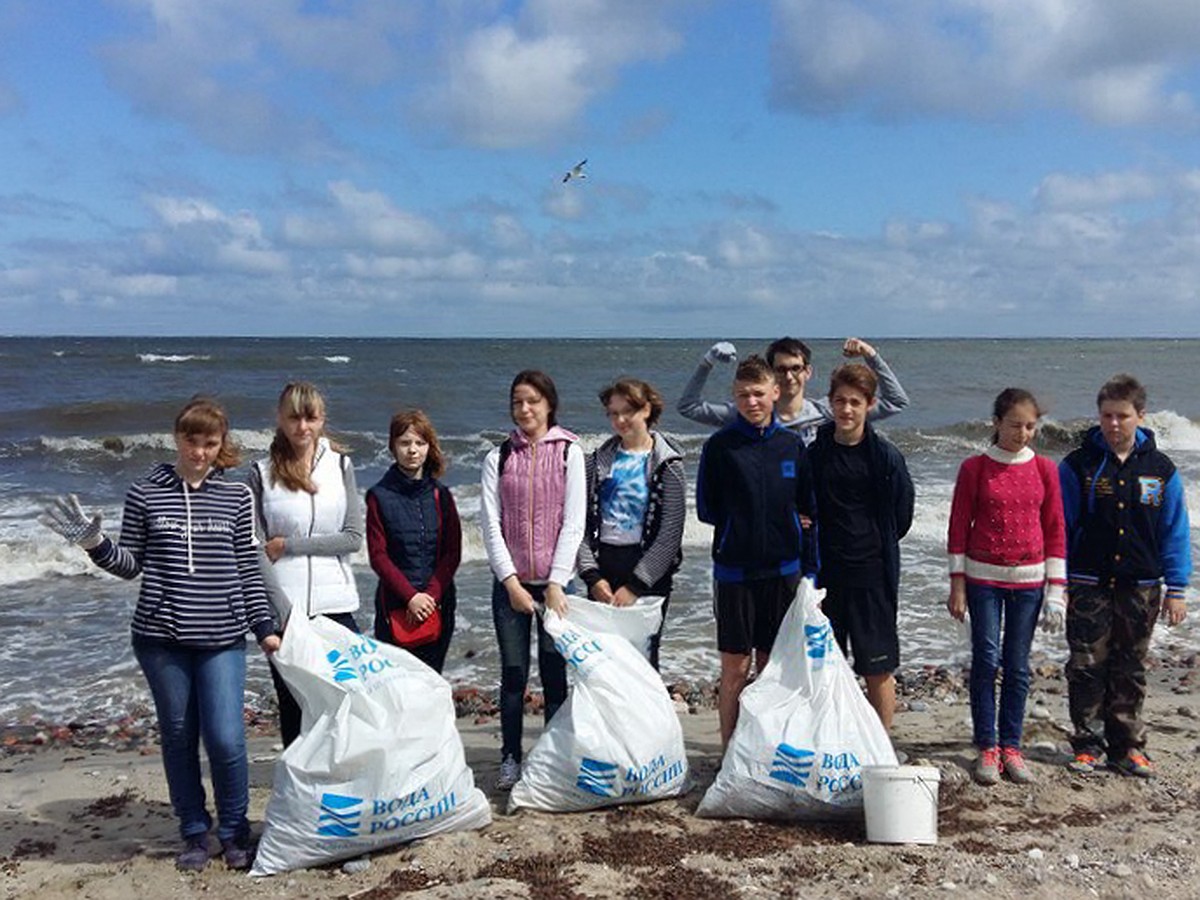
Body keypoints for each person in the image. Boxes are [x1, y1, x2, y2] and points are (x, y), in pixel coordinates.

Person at [41, 397, 279, 872]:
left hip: (222, 636)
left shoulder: (236, 495)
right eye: (192, 441)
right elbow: (131, 565)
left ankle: (235, 832)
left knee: (228, 739)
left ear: (221, 445)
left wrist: (265, 627)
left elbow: (248, 569)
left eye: (211, 443)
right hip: (160, 637)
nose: (200, 452)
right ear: (177, 437)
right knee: (177, 736)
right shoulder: (145, 492)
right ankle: (194, 832)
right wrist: (96, 545)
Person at [1058, 374, 1191, 778]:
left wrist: (1177, 588)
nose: (1113, 424)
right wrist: (1058, 582)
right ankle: (1088, 744)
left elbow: (1174, 530)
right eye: (1106, 416)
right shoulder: (1078, 465)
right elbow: (1060, 527)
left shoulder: (1161, 469)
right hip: (1087, 582)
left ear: (1140, 416)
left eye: (1122, 416)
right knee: (1086, 664)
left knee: (1129, 666)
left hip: (1142, 586)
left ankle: (1128, 746)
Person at [946, 388, 1067, 785]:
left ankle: (1011, 748)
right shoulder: (974, 468)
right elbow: (958, 528)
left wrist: (1055, 592)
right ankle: (987, 747)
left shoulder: (1046, 469)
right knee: (986, 659)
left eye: (1031, 425)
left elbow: (1055, 530)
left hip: (1030, 584)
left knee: (1016, 667)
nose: (1023, 433)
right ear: (996, 423)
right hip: (982, 581)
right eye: (1015, 424)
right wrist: (957, 585)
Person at [696, 355, 816, 748]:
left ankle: (763, 748)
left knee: (770, 666)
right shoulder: (720, 447)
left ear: (775, 393)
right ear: (734, 396)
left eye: (759, 394)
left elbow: (808, 507)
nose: (752, 402)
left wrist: (806, 567)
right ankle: (729, 750)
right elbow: (707, 508)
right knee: (735, 668)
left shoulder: (791, 445)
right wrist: (741, 527)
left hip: (782, 571)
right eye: (744, 395)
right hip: (734, 572)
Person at [481, 370, 586, 790]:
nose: (524, 409)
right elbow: (491, 526)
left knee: (555, 673)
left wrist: (557, 582)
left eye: (532, 401)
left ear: (549, 404)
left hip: (556, 586)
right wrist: (510, 582)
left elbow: (574, 522)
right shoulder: (499, 457)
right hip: (510, 587)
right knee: (512, 674)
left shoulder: (570, 453)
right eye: (517, 402)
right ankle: (510, 758)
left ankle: (554, 757)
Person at [249, 382, 362, 749]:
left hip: (337, 607)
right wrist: (281, 613)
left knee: (343, 703)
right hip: (286, 609)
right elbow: (255, 549)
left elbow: (352, 538)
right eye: (294, 417)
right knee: (293, 708)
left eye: (310, 418)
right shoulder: (261, 473)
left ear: (322, 419)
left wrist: (290, 545)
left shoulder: (341, 465)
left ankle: (340, 790)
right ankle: (299, 797)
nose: (303, 427)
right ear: (279, 419)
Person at [807, 364, 914, 738]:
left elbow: (902, 517)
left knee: (877, 667)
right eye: (840, 401)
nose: (846, 409)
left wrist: (872, 545)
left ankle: (881, 742)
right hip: (826, 577)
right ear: (830, 403)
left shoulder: (885, 457)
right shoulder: (815, 453)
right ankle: (832, 739)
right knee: (825, 666)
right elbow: (804, 506)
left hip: (873, 575)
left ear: (869, 405)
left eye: (855, 402)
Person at [576, 378, 686, 671]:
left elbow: (671, 532)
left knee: (642, 661)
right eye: (613, 413)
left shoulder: (668, 464)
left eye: (628, 411)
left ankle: (647, 719)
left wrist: (636, 585)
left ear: (647, 410)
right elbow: (580, 526)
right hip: (604, 569)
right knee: (602, 663)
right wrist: (592, 577)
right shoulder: (596, 462)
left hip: (648, 571)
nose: (620, 420)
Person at [366, 409, 462, 674]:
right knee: (398, 687)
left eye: (420, 443)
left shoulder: (441, 495)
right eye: (405, 443)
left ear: (429, 447)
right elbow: (378, 556)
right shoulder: (378, 496)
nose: (412, 450)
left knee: (431, 682)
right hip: (395, 604)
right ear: (392, 447)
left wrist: (429, 596)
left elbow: (452, 552)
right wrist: (411, 597)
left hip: (439, 603)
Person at [678, 336, 909, 445]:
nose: (789, 376)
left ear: (808, 372)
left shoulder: (828, 412)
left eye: (796, 368)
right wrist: (707, 362)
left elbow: (896, 401)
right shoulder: (750, 413)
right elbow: (688, 407)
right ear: (770, 373)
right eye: (781, 369)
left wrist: (871, 355)